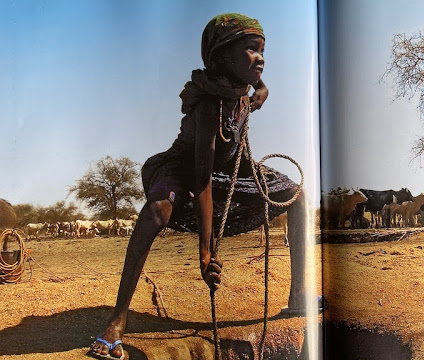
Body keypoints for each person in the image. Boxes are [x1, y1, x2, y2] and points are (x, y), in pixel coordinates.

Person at [89, 13, 312, 360]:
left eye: (262, 50)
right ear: (222, 58)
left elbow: (260, 85)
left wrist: (262, 93)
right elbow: (202, 180)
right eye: (250, 50)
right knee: (157, 211)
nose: (260, 58)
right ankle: (117, 321)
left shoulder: (241, 84)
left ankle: (299, 295)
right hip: (187, 167)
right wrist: (205, 254)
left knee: (296, 196)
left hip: (232, 171)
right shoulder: (209, 104)